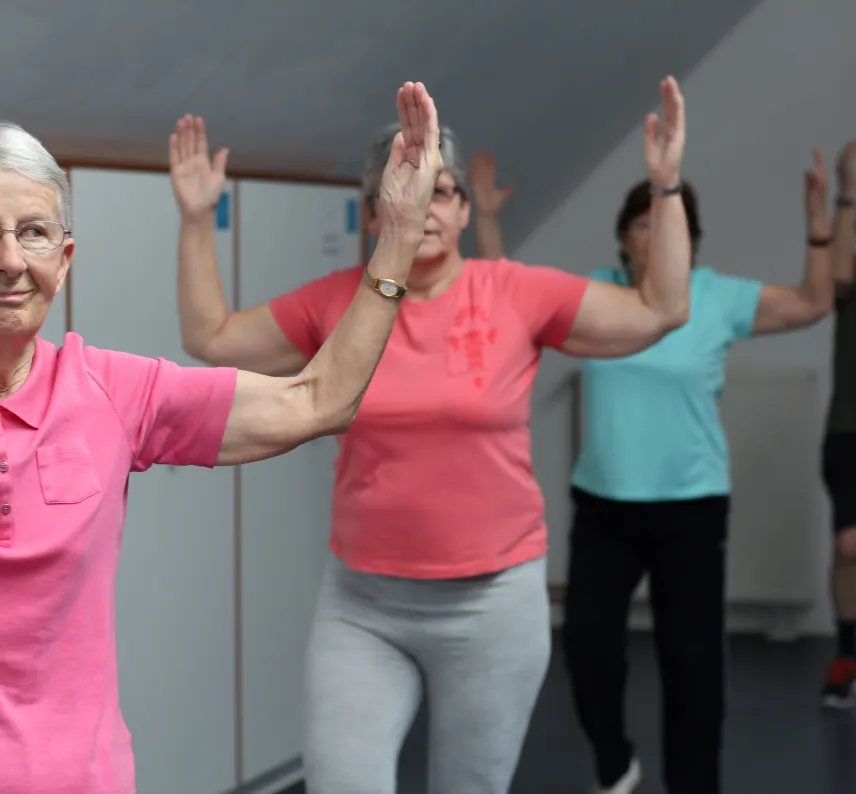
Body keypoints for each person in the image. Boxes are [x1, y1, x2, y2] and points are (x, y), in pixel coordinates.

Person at [173, 76, 691, 794]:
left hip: (492, 609)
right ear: (378, 210)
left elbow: (661, 309)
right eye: (410, 187)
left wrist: (664, 189)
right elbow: (212, 336)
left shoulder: (514, 292)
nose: (429, 205)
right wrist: (198, 217)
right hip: (364, 607)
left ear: (463, 209)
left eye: (444, 190)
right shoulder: (338, 302)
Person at [0, 80, 444, 794]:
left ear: (66, 258)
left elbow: (316, 399)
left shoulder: (111, 392)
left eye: (34, 233)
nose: (12, 261)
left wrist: (396, 237)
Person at [471, 146, 834, 794]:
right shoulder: (599, 293)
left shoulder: (715, 297)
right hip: (604, 507)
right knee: (586, 650)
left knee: (692, 667)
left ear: (687, 240)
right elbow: (509, 298)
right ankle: (614, 762)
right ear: (624, 236)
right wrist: (491, 221)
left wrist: (817, 224)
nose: (657, 233)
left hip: (691, 510)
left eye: (670, 223)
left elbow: (812, 301)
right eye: (644, 222)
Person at [820, 138, 856, 708]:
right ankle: (848, 652)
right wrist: (846, 190)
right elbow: (835, 281)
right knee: (850, 547)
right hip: (849, 427)